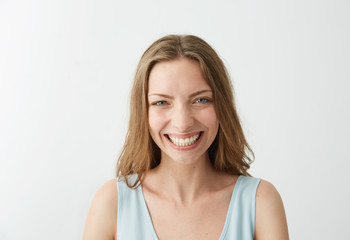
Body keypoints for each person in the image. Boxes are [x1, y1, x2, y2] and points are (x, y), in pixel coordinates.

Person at [82, 34, 289, 240]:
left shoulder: (260, 202)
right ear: (143, 112)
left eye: (200, 100)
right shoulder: (112, 203)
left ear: (222, 107)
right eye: (161, 102)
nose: (182, 123)